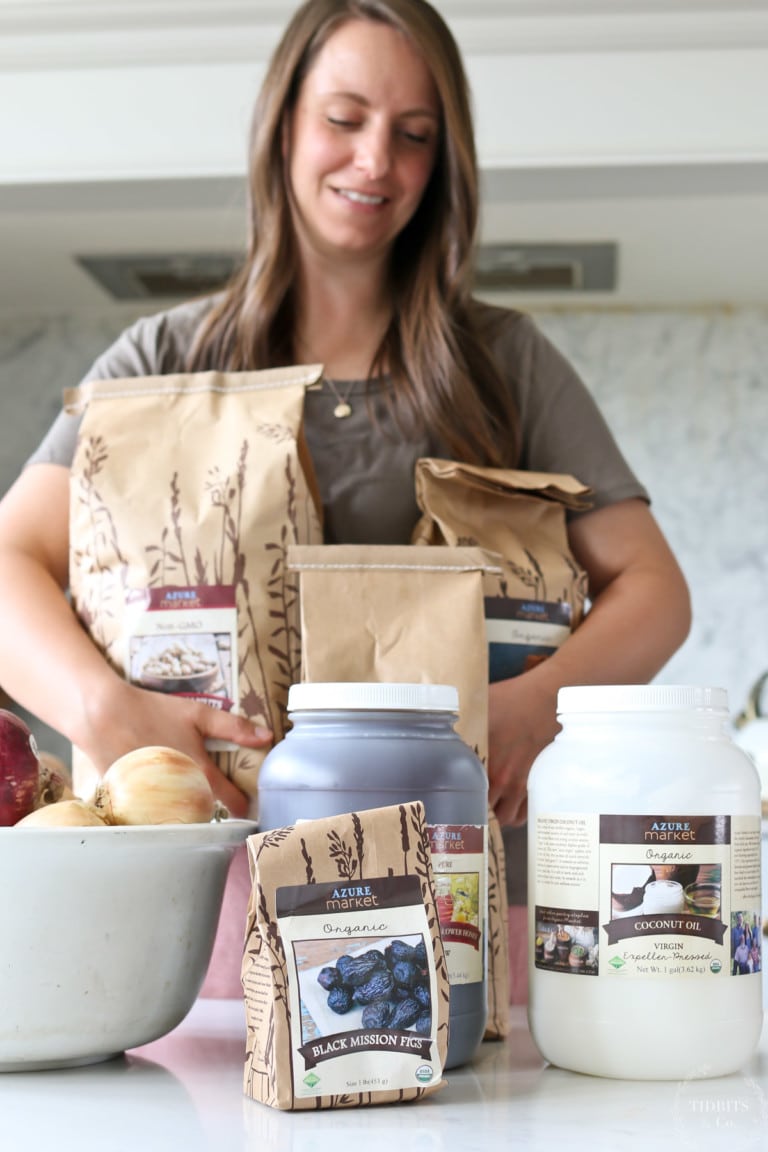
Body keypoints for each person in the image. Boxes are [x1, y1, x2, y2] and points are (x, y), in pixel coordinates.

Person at [0, 0, 690, 994]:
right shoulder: (164, 359)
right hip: (200, 925)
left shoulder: (506, 367)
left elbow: (657, 588)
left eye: (415, 136)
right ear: (283, 124)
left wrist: (538, 708)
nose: (376, 162)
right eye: (345, 118)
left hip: (467, 910)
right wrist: (102, 707)